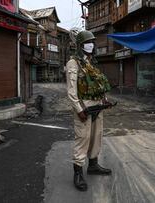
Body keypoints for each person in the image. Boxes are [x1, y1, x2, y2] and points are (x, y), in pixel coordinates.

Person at [66, 30, 112, 191]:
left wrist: (104, 99)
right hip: (84, 109)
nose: (90, 45)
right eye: (87, 43)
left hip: (97, 107)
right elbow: (71, 92)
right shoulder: (73, 63)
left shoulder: (92, 62)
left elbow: (97, 84)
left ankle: (93, 165)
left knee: (96, 137)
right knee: (82, 139)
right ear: (80, 46)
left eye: (92, 42)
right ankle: (78, 173)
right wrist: (79, 110)